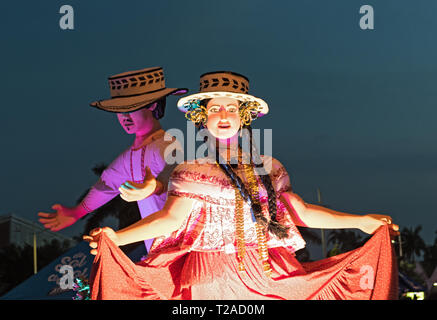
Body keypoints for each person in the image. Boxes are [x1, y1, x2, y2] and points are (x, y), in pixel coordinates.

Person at [84, 71, 400, 300]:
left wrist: (361, 222)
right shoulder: (190, 170)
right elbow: (170, 219)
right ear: (201, 119)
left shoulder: (271, 167)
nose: (223, 115)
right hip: (212, 274)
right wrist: (117, 236)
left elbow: (300, 211)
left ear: (244, 117)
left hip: (271, 272)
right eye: (215, 109)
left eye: (232, 109)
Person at [38, 67, 187, 253]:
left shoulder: (166, 145)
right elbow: (107, 185)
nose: (124, 117)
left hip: (179, 248)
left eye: (130, 109)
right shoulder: (131, 154)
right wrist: (76, 212)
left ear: (152, 105)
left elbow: (177, 178)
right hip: (158, 250)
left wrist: (156, 186)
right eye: (119, 111)